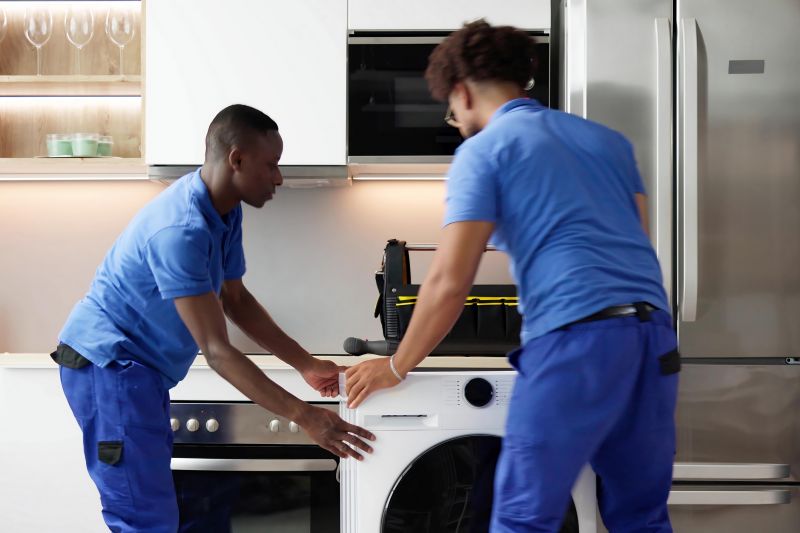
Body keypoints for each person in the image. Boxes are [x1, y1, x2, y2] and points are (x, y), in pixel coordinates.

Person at [345, 20, 679, 533]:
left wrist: (396, 365)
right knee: (641, 519)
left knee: (524, 518)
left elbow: (448, 284)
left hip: (574, 343)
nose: (454, 121)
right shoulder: (608, 142)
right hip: (653, 341)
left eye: (450, 109)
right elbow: (635, 242)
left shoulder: (484, 152)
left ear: (460, 91)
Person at [53, 104, 375, 532]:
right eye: (271, 165)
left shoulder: (223, 210)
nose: (279, 178)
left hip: (138, 371)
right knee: (144, 518)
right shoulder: (181, 230)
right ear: (237, 159)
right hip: (108, 366)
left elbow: (236, 300)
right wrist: (306, 417)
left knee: (177, 511)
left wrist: (307, 364)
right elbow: (219, 353)